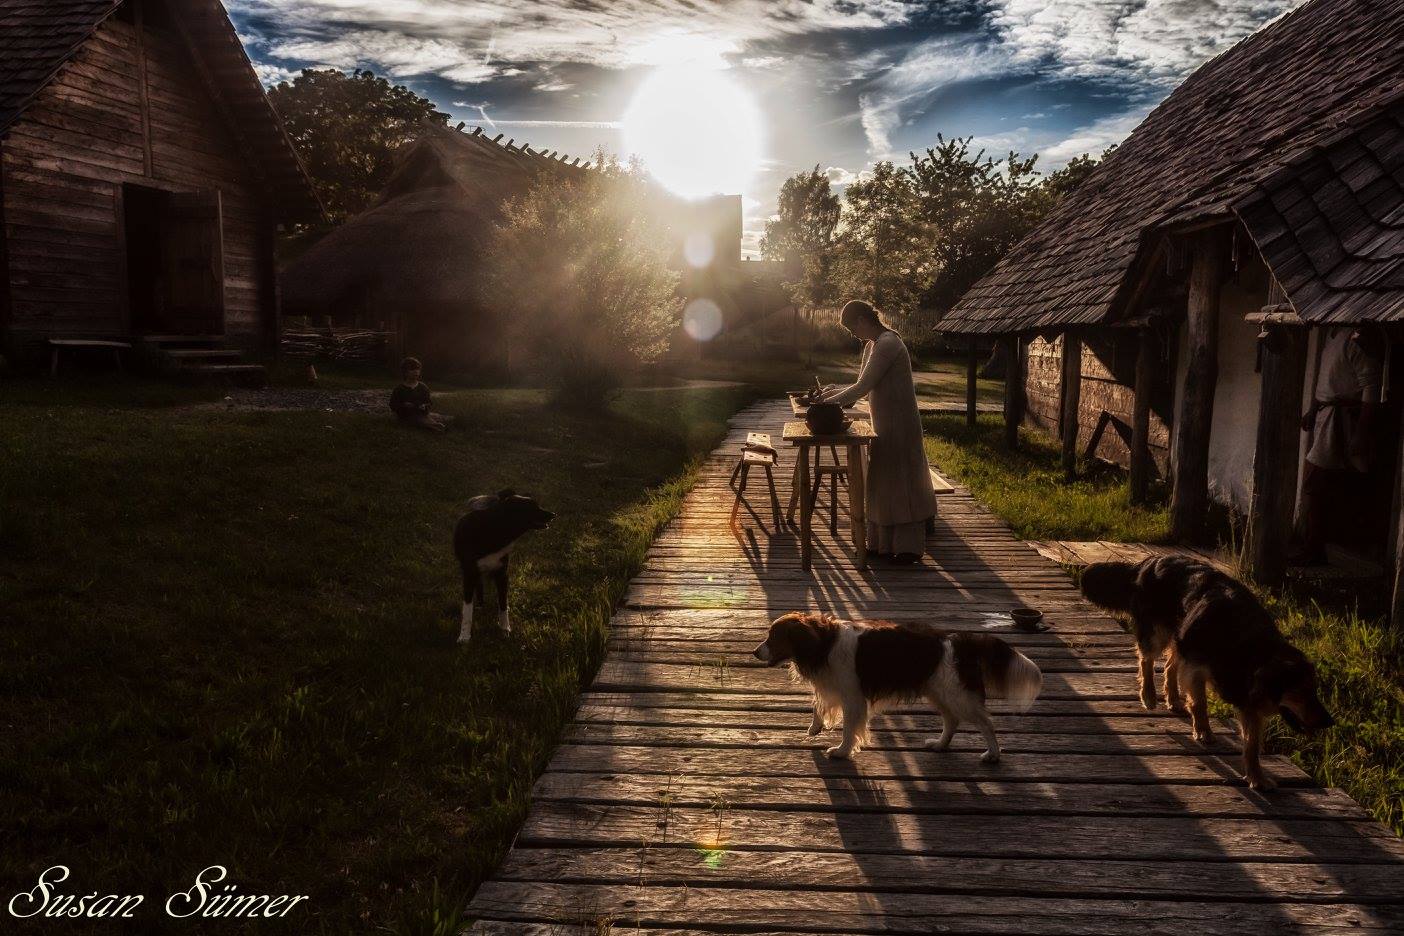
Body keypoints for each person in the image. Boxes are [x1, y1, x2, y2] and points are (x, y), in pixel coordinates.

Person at [819, 300, 937, 563]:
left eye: (852, 328)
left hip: (901, 423)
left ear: (862, 320)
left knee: (902, 483)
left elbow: (862, 387)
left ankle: (907, 548)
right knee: (883, 482)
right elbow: (859, 385)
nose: (853, 334)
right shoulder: (873, 345)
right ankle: (881, 544)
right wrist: (831, 393)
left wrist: (825, 403)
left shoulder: (888, 344)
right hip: (883, 422)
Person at [1292, 326, 1384, 565]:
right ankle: (1316, 546)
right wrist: (1313, 410)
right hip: (1327, 416)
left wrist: (1361, 433)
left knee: (1318, 482)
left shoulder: (1355, 339)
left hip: (1342, 420)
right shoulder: (1330, 336)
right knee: (1319, 485)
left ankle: (1317, 548)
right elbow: (1326, 383)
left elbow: (1371, 387)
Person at [390, 357, 454, 432]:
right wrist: (404, 405)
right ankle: (438, 427)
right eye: (412, 369)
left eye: (417, 369)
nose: (416, 372)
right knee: (420, 421)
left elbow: (429, 402)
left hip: (422, 413)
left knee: (443, 418)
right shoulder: (399, 389)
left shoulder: (423, 387)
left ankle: (439, 423)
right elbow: (393, 405)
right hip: (406, 416)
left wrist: (424, 406)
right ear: (405, 372)